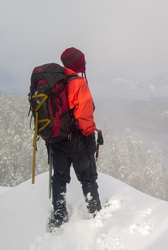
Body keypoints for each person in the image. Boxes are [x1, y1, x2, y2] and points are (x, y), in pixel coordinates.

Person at [49, 47, 102, 228]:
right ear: (78, 64)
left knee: (59, 178)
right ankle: (95, 212)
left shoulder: (55, 81)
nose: (85, 64)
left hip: (56, 139)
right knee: (87, 178)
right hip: (77, 139)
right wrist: (90, 137)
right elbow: (84, 115)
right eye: (83, 62)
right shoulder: (77, 82)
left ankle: (58, 215)